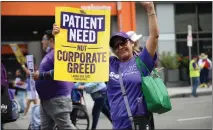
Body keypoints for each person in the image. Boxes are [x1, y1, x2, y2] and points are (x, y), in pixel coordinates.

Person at [52, 1, 158, 129]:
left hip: (140, 125)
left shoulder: (142, 61)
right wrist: (59, 37)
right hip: (118, 126)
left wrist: (150, 9)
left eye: (123, 42)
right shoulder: (109, 64)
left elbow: (154, 36)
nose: (120, 47)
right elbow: (78, 54)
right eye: (115, 46)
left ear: (131, 43)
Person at [33, 30, 76, 130]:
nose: (41, 42)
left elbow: (61, 70)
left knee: (66, 127)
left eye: (43, 39)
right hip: (46, 100)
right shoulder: (49, 54)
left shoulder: (57, 52)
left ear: (51, 40)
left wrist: (41, 75)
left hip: (56, 98)